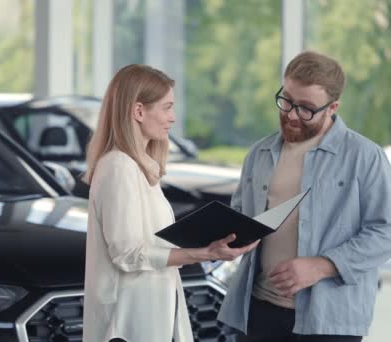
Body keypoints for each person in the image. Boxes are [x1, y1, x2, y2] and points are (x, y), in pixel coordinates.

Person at [217, 51, 391, 342]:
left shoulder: (365, 157)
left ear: (333, 108)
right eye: (286, 101)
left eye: (305, 108)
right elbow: (241, 218)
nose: (291, 114)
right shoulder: (259, 154)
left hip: (328, 320)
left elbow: (386, 233)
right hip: (258, 313)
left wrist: (321, 265)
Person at [82, 64, 259, 342]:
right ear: (138, 111)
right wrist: (206, 253)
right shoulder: (118, 167)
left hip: (152, 314)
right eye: (166, 108)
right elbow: (128, 253)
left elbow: (152, 244)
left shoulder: (139, 167)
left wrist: (209, 242)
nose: (173, 118)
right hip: (128, 323)